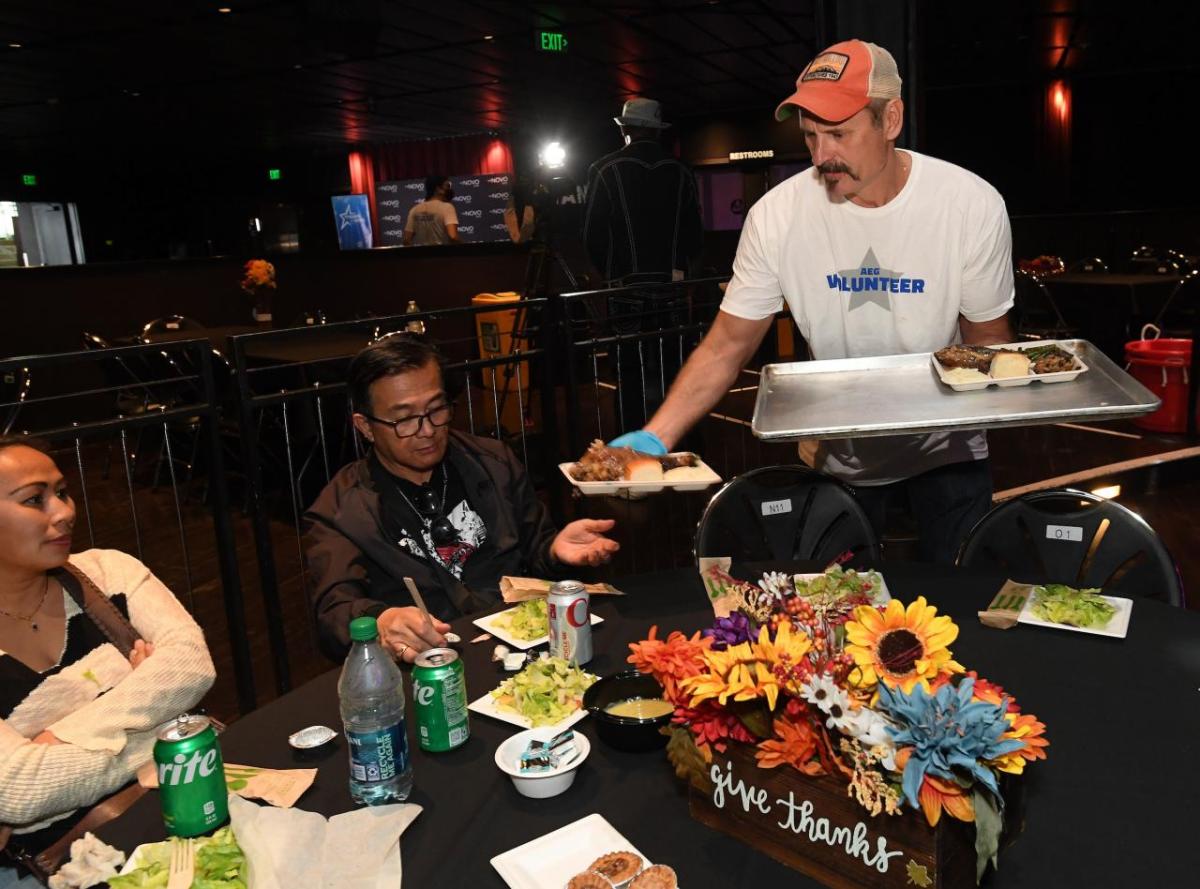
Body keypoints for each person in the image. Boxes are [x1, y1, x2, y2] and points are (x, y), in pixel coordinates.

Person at [611, 40, 1016, 564]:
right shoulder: (775, 216)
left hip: (950, 454)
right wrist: (653, 437)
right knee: (838, 624)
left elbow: (988, 344)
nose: (823, 156)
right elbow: (726, 348)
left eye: (840, 134)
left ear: (891, 119)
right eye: (810, 136)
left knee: (958, 612)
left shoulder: (969, 204)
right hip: (841, 460)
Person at [303, 334, 619, 662]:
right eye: (405, 419)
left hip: (522, 653)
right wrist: (381, 622)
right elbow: (333, 614)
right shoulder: (340, 511)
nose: (427, 430)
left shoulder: (493, 463)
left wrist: (554, 551)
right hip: (428, 671)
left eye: (436, 409)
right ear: (366, 427)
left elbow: (535, 551)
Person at [0, 438, 215, 884]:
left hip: (182, 806)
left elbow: (193, 665)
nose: (63, 511)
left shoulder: (107, 573)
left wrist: (56, 738)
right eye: (34, 500)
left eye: (62, 492)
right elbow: (21, 790)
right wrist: (159, 717)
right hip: (57, 867)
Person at [583, 97, 703, 284]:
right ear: (657, 131)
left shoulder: (604, 169)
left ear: (624, 128)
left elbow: (593, 232)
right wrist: (687, 271)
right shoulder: (681, 170)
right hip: (672, 279)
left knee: (629, 315)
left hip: (624, 281)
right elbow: (694, 229)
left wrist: (607, 273)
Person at [403, 176, 459, 246]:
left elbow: (406, 240)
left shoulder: (414, 210)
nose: (450, 189)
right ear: (438, 189)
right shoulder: (447, 207)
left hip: (422, 256)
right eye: (448, 186)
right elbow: (453, 237)